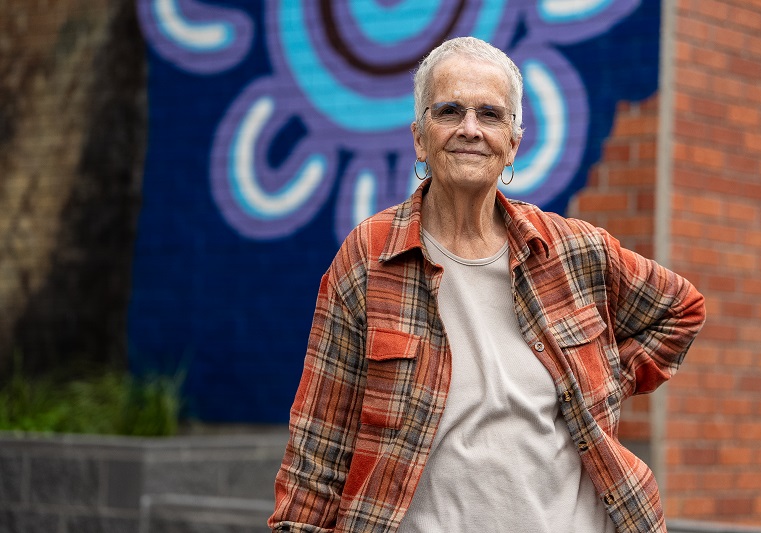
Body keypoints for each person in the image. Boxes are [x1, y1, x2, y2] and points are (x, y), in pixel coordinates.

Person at [268, 36, 705, 533]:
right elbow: (318, 448)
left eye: (491, 115)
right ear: (419, 136)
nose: (470, 129)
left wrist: (601, 383)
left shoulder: (570, 250)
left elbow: (682, 309)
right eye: (449, 111)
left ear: (514, 142)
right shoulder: (370, 257)